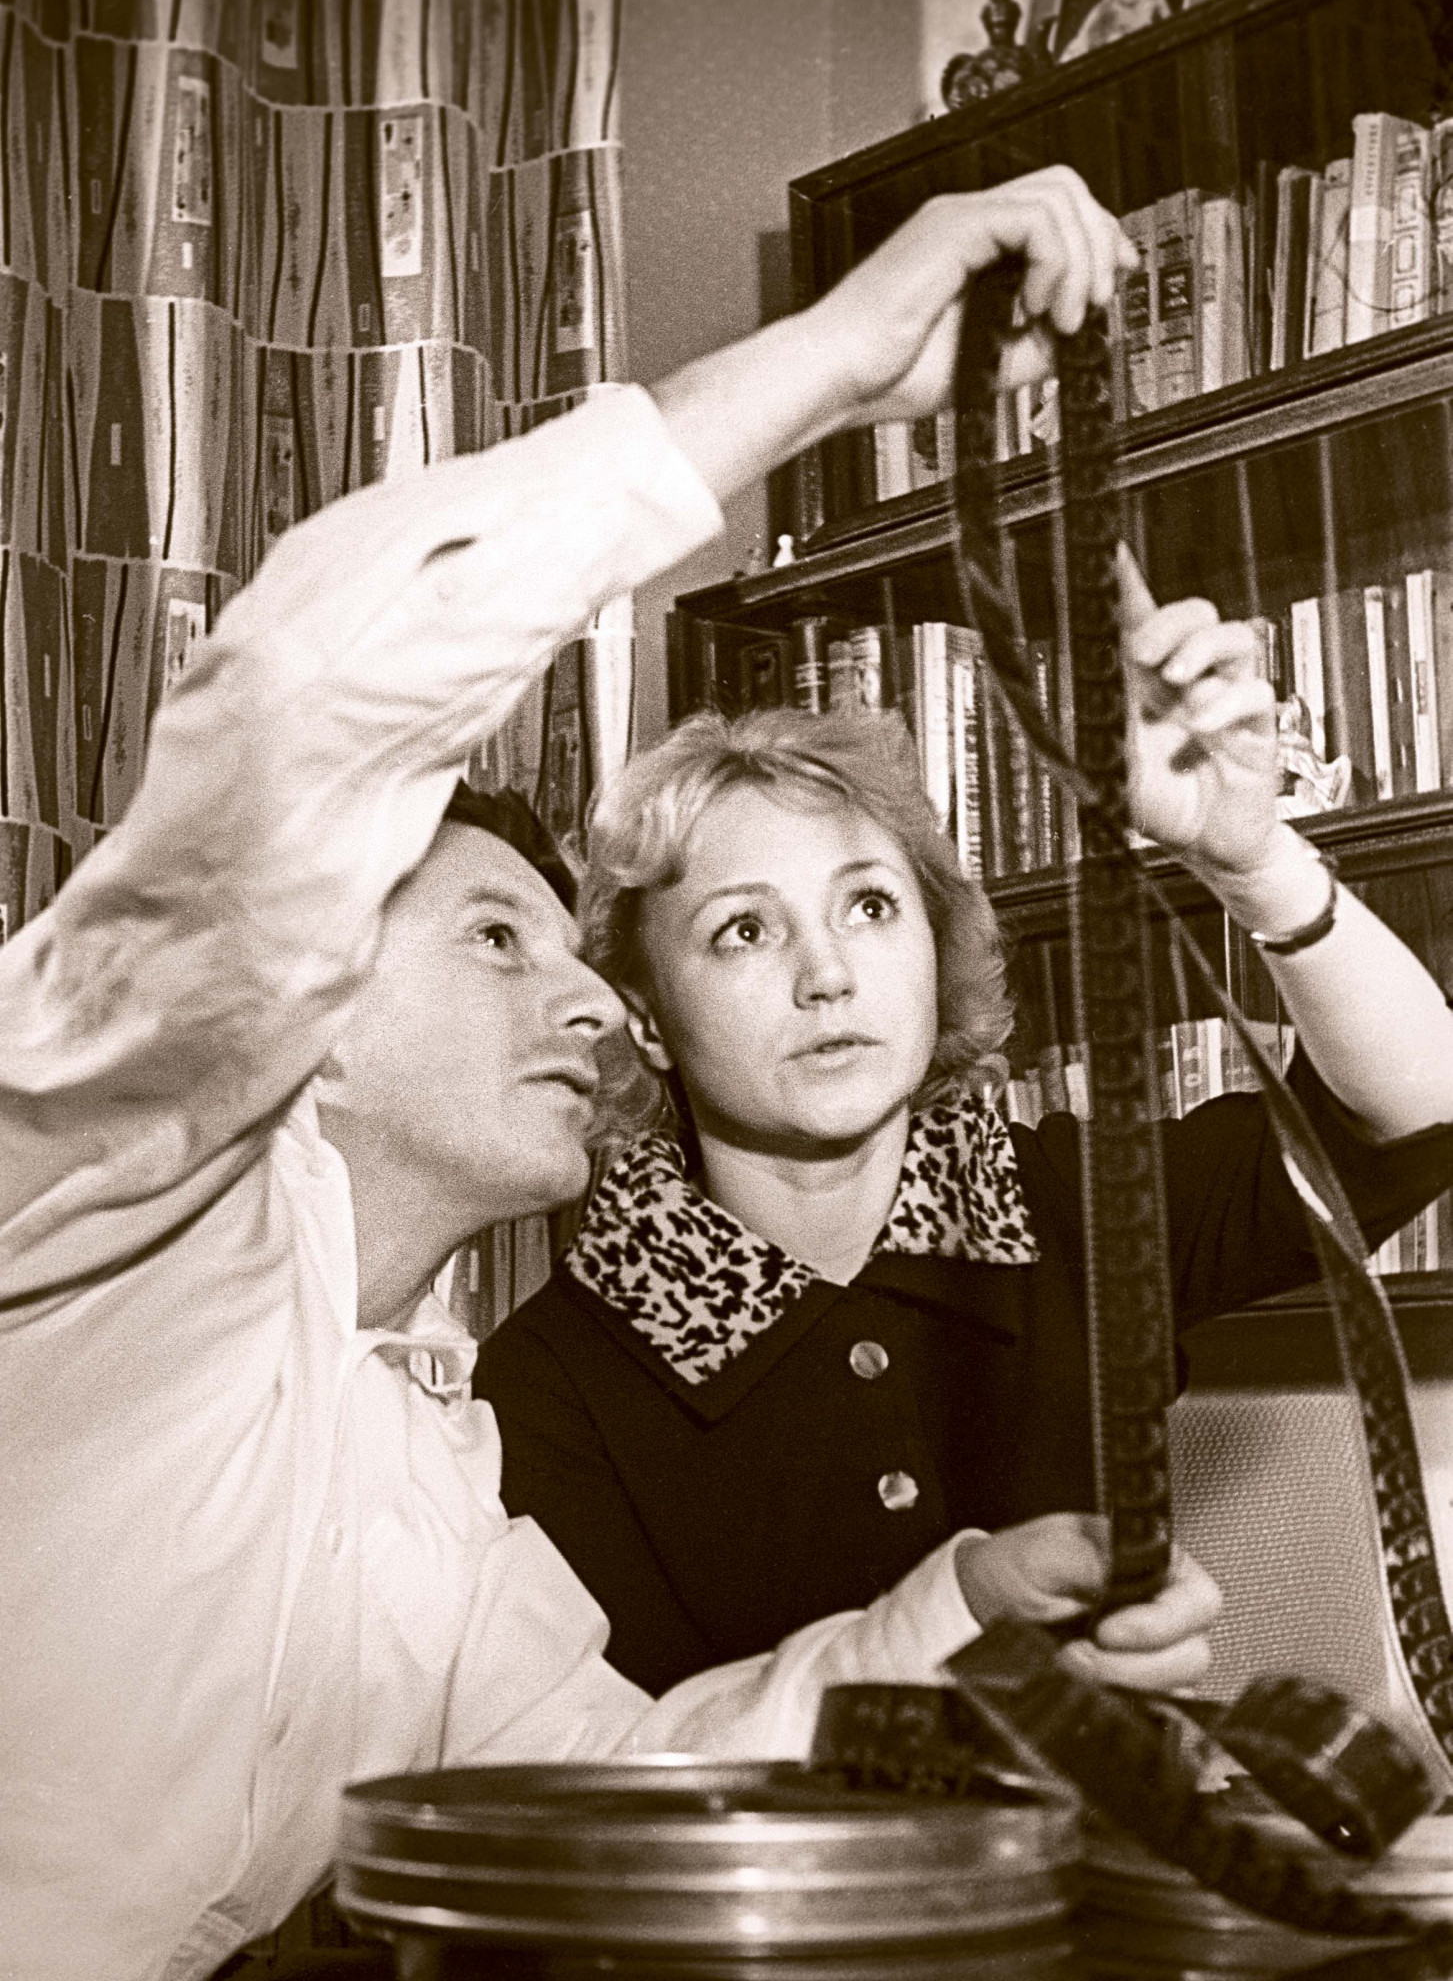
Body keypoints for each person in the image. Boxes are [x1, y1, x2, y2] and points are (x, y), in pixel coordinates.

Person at [0, 172, 1223, 1981]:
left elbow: (626, 1777)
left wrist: (956, 1605)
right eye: (499, 938)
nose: (590, 999)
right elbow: (303, 711)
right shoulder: (81, 1208)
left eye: (577, 954)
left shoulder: (439, 1464)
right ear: (309, 994)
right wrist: (828, 364)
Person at [475, 628, 1453, 1697]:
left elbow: (1414, 1112)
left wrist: (1253, 862)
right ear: (648, 1019)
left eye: (869, 906)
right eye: (744, 929)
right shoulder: (546, 1384)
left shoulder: (1072, 1207)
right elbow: (627, 1755)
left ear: (934, 953)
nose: (827, 973)